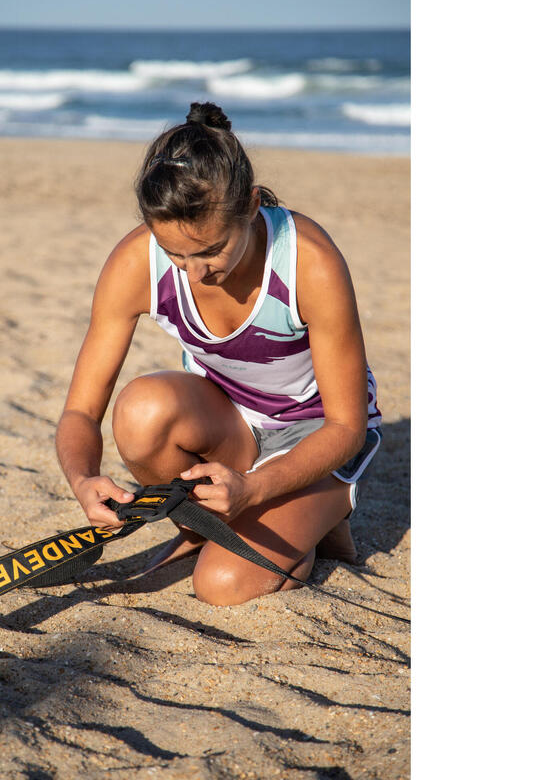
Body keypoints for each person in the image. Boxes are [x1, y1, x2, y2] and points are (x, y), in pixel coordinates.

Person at [55, 102, 382, 607]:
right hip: (230, 427)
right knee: (142, 411)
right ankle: (218, 524)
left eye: (210, 251)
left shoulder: (307, 260)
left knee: (221, 586)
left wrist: (253, 491)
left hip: (317, 436)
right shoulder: (133, 262)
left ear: (251, 207)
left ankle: (321, 515)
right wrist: (82, 478)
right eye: (175, 254)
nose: (193, 274)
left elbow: (347, 427)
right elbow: (80, 409)